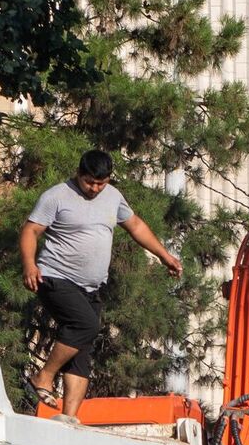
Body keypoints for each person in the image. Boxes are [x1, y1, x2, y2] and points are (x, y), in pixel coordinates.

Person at [21, 150, 182, 420]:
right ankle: (43, 376)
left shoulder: (113, 196)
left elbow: (136, 226)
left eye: (101, 183)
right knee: (86, 325)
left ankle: (69, 418)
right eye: (89, 183)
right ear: (78, 174)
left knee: (81, 350)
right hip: (55, 276)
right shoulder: (57, 196)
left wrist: (165, 256)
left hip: (91, 286)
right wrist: (29, 265)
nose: (95, 188)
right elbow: (30, 230)